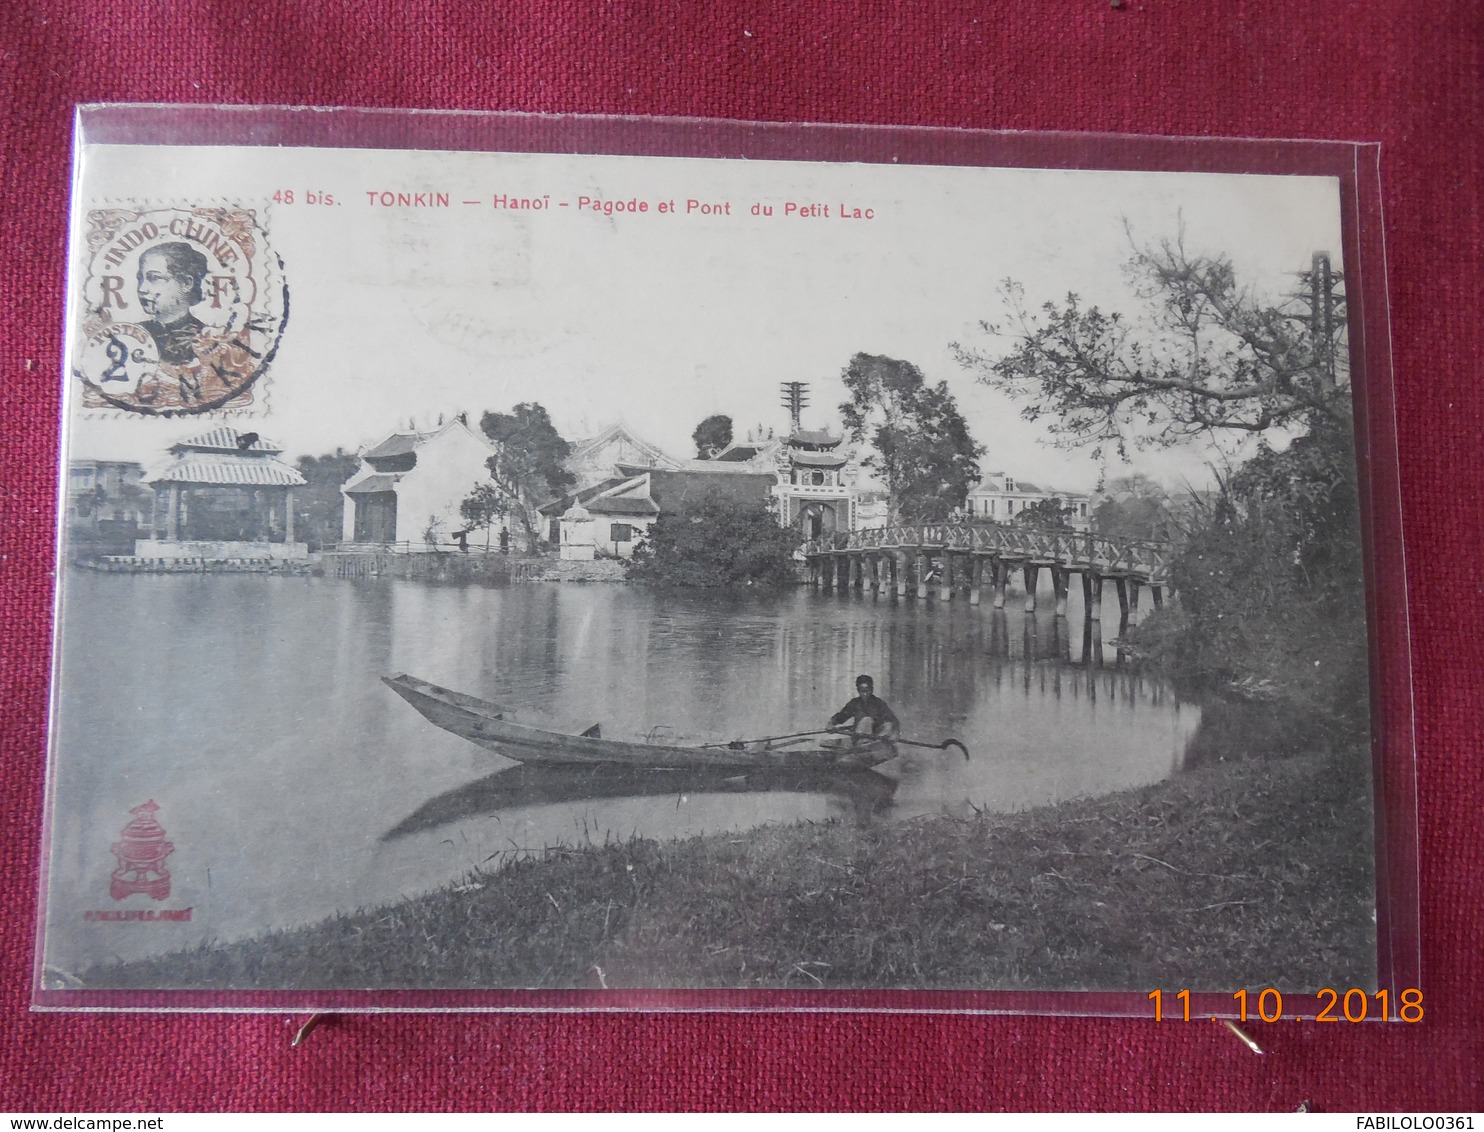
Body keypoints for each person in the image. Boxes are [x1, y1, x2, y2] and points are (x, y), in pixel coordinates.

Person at [136, 242, 209, 368]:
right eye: (140, 279)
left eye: (154, 278)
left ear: (186, 283)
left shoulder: (207, 338)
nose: (142, 289)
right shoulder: (133, 335)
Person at [828, 674, 900, 740]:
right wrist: (831, 723)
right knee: (866, 720)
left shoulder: (879, 703)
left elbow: (893, 720)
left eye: (867, 690)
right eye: (862, 691)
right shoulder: (854, 703)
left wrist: (894, 733)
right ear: (858, 690)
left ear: (872, 690)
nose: (865, 694)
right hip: (859, 737)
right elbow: (842, 716)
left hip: (875, 737)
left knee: (887, 724)